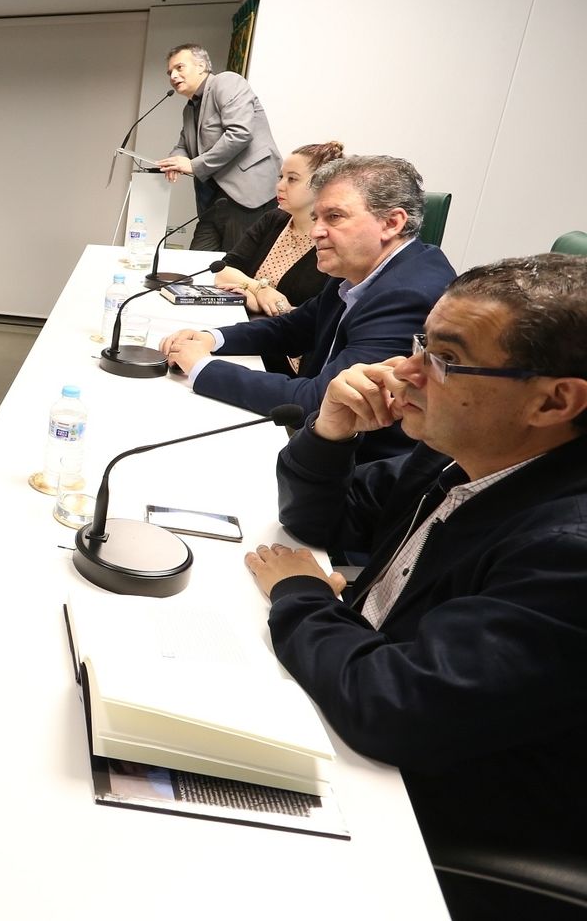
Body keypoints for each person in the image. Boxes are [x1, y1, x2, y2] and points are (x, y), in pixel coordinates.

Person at [244, 253, 587, 918]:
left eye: (446, 359)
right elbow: (321, 520)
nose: (407, 370)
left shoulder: (567, 552)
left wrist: (303, 596)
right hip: (352, 707)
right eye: (420, 343)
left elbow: (396, 707)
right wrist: (331, 431)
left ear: (553, 401)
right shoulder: (462, 453)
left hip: (430, 816)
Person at [161, 155, 455, 460]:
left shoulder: (408, 295)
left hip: (361, 466)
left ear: (392, 223)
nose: (316, 231)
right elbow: (293, 328)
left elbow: (321, 402)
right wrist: (211, 338)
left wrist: (202, 367)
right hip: (317, 439)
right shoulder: (359, 268)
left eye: (334, 217)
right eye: (316, 218)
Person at [212, 141, 345, 373]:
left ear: (323, 186)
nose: (280, 186)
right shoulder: (274, 220)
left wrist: (257, 299)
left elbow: (316, 319)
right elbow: (223, 269)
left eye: (292, 179)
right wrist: (259, 289)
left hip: (288, 355)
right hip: (249, 330)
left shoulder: (331, 242)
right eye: (281, 177)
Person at [155, 43, 283, 252]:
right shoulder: (189, 109)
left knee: (235, 266)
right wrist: (174, 161)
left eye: (179, 67)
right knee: (194, 263)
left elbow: (240, 133)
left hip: (248, 196)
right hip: (213, 202)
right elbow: (183, 146)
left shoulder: (226, 82)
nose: (173, 76)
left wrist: (193, 166)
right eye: (170, 72)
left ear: (201, 66)